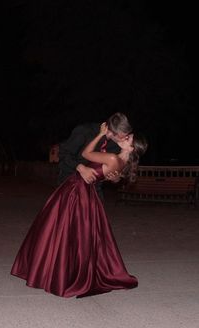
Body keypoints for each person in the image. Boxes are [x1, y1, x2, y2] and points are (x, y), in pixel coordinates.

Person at [11, 123, 148, 298]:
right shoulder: (87, 134)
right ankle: (63, 272)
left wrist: (99, 136)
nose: (124, 137)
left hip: (80, 190)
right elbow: (68, 154)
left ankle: (62, 275)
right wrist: (105, 175)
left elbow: (87, 155)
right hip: (80, 188)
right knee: (71, 234)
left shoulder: (114, 154)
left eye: (128, 138)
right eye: (125, 135)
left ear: (132, 147)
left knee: (63, 232)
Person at [58, 112, 133, 199]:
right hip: (70, 184)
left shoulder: (116, 145)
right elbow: (63, 153)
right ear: (111, 133)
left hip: (95, 190)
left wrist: (116, 179)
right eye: (122, 137)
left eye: (127, 136)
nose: (124, 139)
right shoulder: (85, 131)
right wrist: (80, 167)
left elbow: (113, 172)